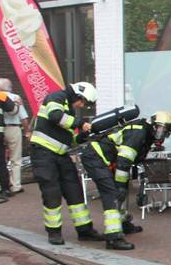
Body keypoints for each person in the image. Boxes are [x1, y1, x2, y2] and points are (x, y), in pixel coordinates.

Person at [80, 110, 171, 250]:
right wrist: (120, 186)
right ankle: (113, 238)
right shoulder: (139, 133)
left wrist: (122, 186)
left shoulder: (147, 133)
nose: (160, 134)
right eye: (159, 129)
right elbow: (124, 160)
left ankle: (123, 224)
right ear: (153, 125)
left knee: (122, 191)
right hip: (96, 157)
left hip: (109, 160)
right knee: (113, 194)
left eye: (164, 131)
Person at [30, 82, 105, 245]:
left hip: (61, 155)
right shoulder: (57, 97)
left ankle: (85, 230)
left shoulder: (69, 111)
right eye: (82, 101)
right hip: (43, 154)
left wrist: (83, 136)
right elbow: (55, 116)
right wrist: (79, 123)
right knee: (52, 193)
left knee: (75, 190)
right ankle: (54, 232)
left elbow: (69, 140)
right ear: (77, 94)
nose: (82, 105)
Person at [0, 78, 30, 194]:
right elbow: (23, 117)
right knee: (15, 159)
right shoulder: (15, 98)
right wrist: (27, 131)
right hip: (14, 129)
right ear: (10, 87)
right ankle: (15, 185)